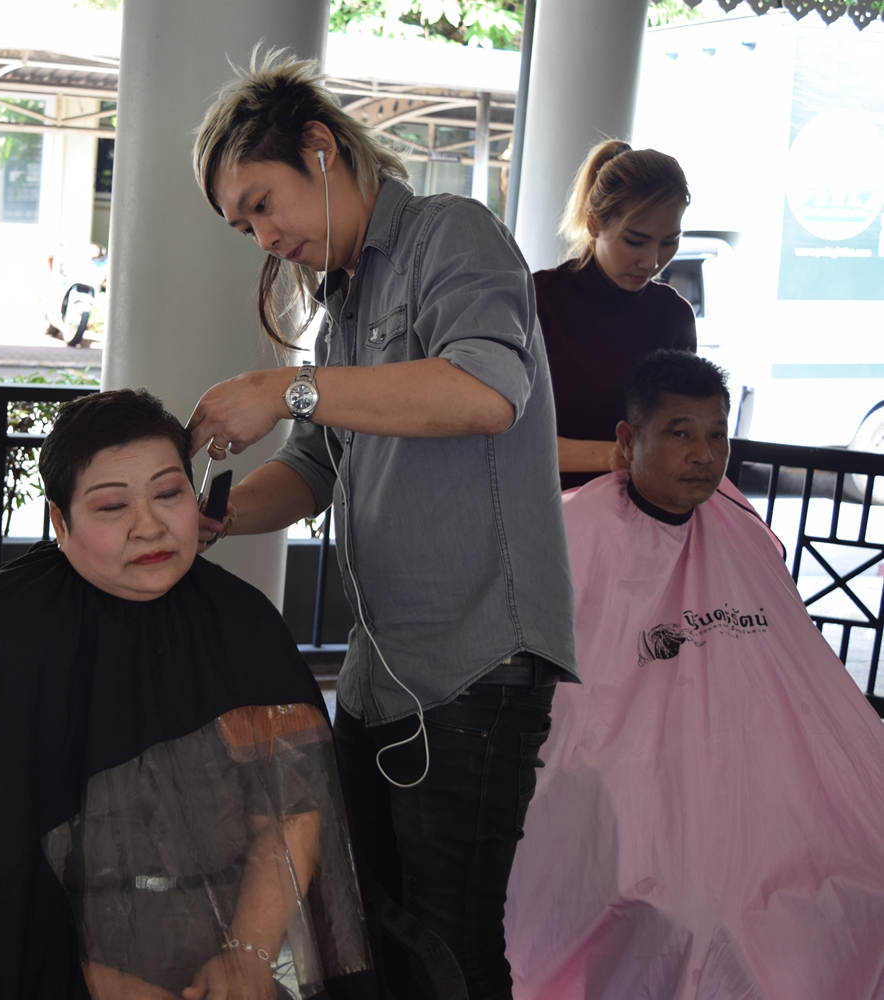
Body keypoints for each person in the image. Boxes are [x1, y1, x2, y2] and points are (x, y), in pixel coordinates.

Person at [187, 51, 576, 1000]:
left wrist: (285, 387)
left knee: (450, 948)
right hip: (379, 671)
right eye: (244, 226)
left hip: (475, 666)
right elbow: (313, 469)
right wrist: (206, 519)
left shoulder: (454, 235)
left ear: (320, 149)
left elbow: (485, 391)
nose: (265, 237)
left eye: (263, 203)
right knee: (370, 928)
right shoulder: (343, 308)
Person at [0, 389, 375, 1000]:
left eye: (169, 493)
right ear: (60, 521)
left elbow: (290, 812)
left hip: (221, 947)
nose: (148, 526)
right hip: (34, 959)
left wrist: (248, 955)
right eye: (111, 506)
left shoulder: (242, 625)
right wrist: (90, 981)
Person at [504, 350, 884, 998]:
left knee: (860, 863)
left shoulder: (740, 532)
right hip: (629, 775)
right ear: (629, 440)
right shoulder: (572, 532)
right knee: (700, 912)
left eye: (717, 436)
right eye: (680, 434)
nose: (704, 456)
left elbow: (800, 677)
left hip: (755, 771)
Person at [536, 140, 696, 490]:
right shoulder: (537, 301)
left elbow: (683, 430)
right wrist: (609, 456)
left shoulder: (674, 316)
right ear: (593, 224)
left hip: (641, 510)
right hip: (545, 508)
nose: (652, 262)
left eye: (669, 242)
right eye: (635, 241)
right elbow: (504, 436)